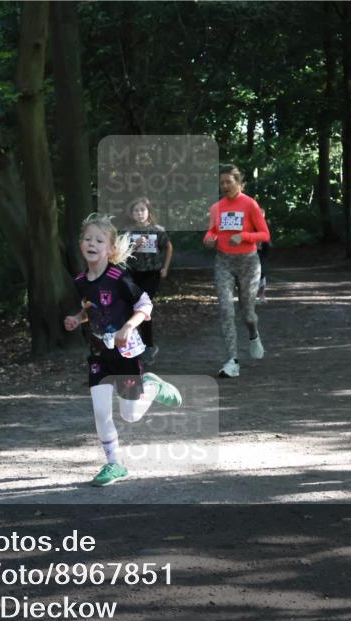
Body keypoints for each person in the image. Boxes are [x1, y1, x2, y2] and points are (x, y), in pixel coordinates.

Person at [64, 213, 182, 487]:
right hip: (98, 355)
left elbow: (145, 305)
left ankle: (151, 386)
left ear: (111, 248)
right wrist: (77, 318)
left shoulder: (119, 276)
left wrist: (128, 327)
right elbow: (92, 309)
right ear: (81, 244)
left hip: (125, 354)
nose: (91, 243)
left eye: (99, 240)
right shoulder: (81, 280)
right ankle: (114, 464)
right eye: (87, 238)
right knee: (100, 412)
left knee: (130, 414)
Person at [203, 164, 271, 378]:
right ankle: (232, 361)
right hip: (224, 262)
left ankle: (253, 333)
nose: (224, 186)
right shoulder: (216, 208)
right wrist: (209, 238)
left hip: (248, 263)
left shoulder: (249, 204)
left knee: (248, 313)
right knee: (225, 309)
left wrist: (243, 236)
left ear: (239, 183)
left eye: (228, 182)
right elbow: (213, 230)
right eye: (222, 183)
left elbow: (264, 234)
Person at [124, 197, 172, 362]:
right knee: (133, 309)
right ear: (132, 214)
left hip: (152, 274)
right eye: (136, 210)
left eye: (142, 210)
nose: (139, 213)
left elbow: (168, 247)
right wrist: (134, 244)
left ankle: (149, 346)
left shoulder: (157, 230)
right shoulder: (129, 232)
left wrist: (165, 267)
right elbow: (121, 252)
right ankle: (136, 345)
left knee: (143, 308)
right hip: (133, 273)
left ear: (148, 212)